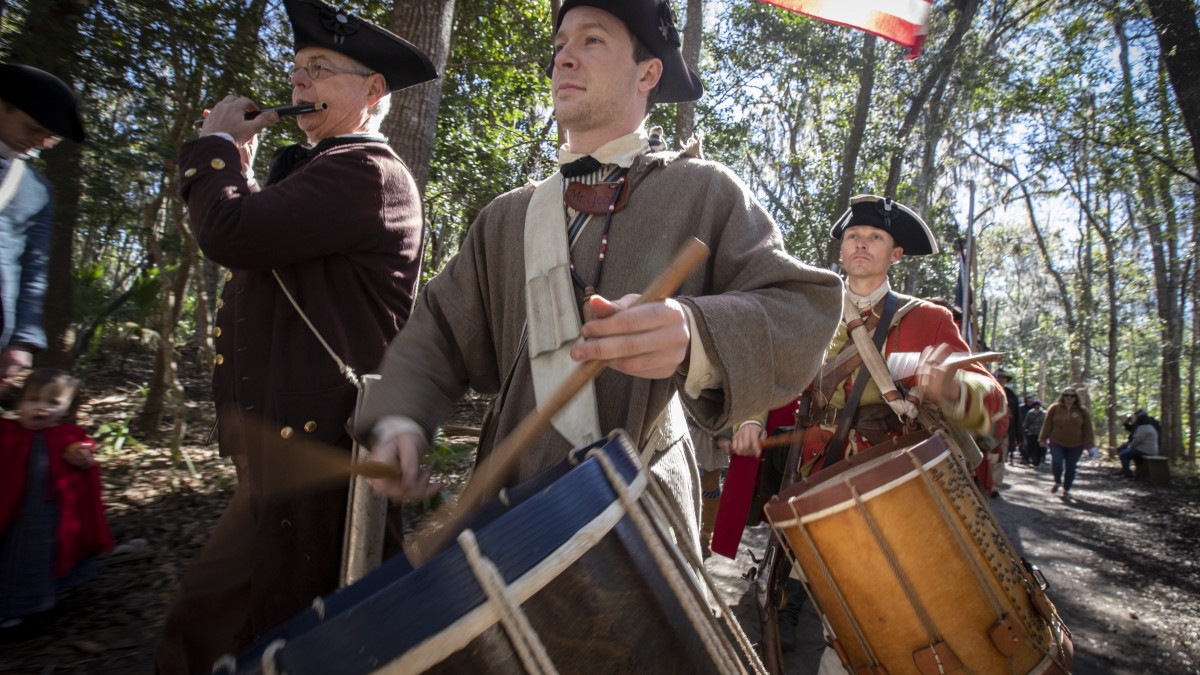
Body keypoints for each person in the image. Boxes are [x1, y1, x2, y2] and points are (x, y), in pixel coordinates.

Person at [358, 0, 843, 559]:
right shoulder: (506, 218)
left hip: (637, 538)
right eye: (561, 44)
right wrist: (402, 417)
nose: (564, 58)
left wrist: (694, 333)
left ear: (648, 73)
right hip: (504, 527)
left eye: (592, 42)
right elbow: (438, 335)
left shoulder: (707, 191)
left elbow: (802, 311)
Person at [154, 1, 436, 671]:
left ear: (373, 93)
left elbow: (234, 232)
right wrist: (242, 167)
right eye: (298, 70)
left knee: (275, 630)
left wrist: (219, 151)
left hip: (325, 454)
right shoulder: (325, 170)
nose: (299, 84)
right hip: (294, 456)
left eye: (320, 70)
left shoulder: (364, 171)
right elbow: (261, 235)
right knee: (247, 626)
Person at [728, 195, 1009, 659]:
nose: (862, 244)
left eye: (876, 238)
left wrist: (956, 391)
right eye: (854, 236)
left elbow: (995, 406)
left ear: (895, 255)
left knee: (875, 608)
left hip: (888, 484)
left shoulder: (929, 319)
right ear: (841, 248)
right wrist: (754, 416)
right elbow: (771, 373)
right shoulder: (808, 308)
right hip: (812, 471)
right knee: (792, 584)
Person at [0, 368, 112, 630]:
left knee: (35, 556)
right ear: (19, 402)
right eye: (33, 400)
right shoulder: (6, 431)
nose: (41, 408)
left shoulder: (68, 437)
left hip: (46, 516)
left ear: (66, 408)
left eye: (53, 403)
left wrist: (82, 459)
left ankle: (23, 610)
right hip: (11, 512)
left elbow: (84, 458)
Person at [0, 64, 86, 389]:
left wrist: (21, 342)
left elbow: (33, 270)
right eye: (33, 127)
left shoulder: (35, 190)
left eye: (49, 137)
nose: (38, 142)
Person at [1038, 386, 1094, 499]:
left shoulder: (1082, 411)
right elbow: (1047, 424)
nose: (1069, 397)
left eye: (1072, 395)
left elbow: (1088, 429)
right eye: (1066, 395)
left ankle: (1066, 489)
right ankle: (1057, 481)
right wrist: (1043, 439)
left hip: (1076, 444)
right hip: (1056, 441)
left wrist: (1090, 446)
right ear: (1062, 396)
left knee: (1071, 467)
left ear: (1075, 397)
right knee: (1057, 461)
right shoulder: (1055, 408)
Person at [1118, 409, 1159, 477]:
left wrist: (1130, 446)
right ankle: (1125, 470)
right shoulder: (1148, 426)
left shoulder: (1143, 428)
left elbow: (1137, 440)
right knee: (1123, 450)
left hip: (1145, 450)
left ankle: (1128, 474)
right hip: (1146, 448)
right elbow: (1129, 429)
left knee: (1124, 454)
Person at [996, 370, 1022, 469]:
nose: (1001, 379)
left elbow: (1017, 416)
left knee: (1001, 458)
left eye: (1004, 377)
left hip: (1006, 431)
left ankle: (996, 483)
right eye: (999, 377)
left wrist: (1019, 437)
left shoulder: (1011, 394)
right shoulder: (987, 390)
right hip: (989, 430)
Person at [1022, 399, 1047, 467]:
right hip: (1032, 433)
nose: (1037, 407)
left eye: (1038, 405)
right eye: (1035, 405)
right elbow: (1026, 422)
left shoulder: (1045, 413)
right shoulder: (1030, 412)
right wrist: (1024, 430)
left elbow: (1047, 423)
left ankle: (1039, 460)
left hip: (1041, 433)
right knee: (1033, 448)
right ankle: (1034, 461)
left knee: (1040, 448)